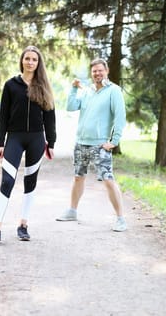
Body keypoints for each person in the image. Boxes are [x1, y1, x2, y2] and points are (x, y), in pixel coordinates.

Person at [0, 46, 56, 245]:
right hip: (14, 138)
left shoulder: (44, 86)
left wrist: (51, 142)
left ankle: (23, 225)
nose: (30, 62)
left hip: (36, 139)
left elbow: (50, 116)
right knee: (7, 181)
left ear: (38, 63)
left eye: (34, 59)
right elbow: (3, 115)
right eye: (27, 58)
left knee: (30, 181)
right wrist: (1, 142)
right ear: (22, 60)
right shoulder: (11, 85)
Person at [56, 58, 127, 232]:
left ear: (107, 71)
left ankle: (120, 219)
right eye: (94, 71)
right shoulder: (87, 91)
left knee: (108, 180)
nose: (97, 73)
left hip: (100, 145)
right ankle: (72, 211)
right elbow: (71, 107)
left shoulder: (114, 91)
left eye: (100, 70)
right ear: (91, 73)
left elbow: (120, 117)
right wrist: (73, 88)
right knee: (78, 177)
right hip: (81, 143)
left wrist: (114, 141)